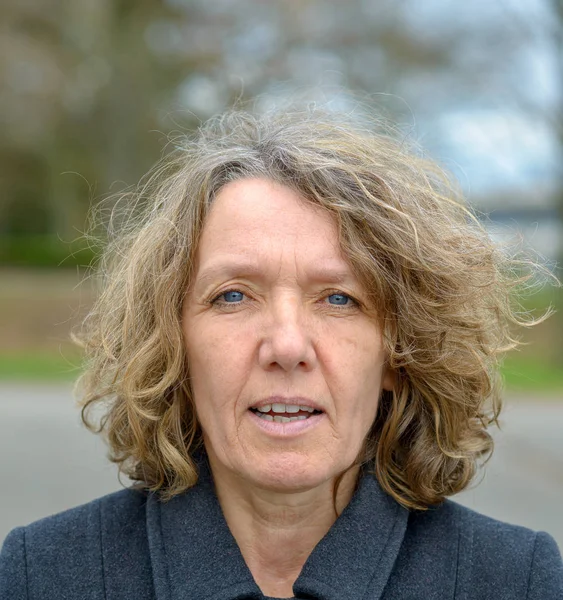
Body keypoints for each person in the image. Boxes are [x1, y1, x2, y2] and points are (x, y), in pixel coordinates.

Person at [1, 104, 562, 599]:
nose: (288, 345)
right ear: (173, 345)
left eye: (339, 298)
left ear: (399, 353)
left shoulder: (519, 581)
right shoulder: (38, 576)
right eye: (234, 295)